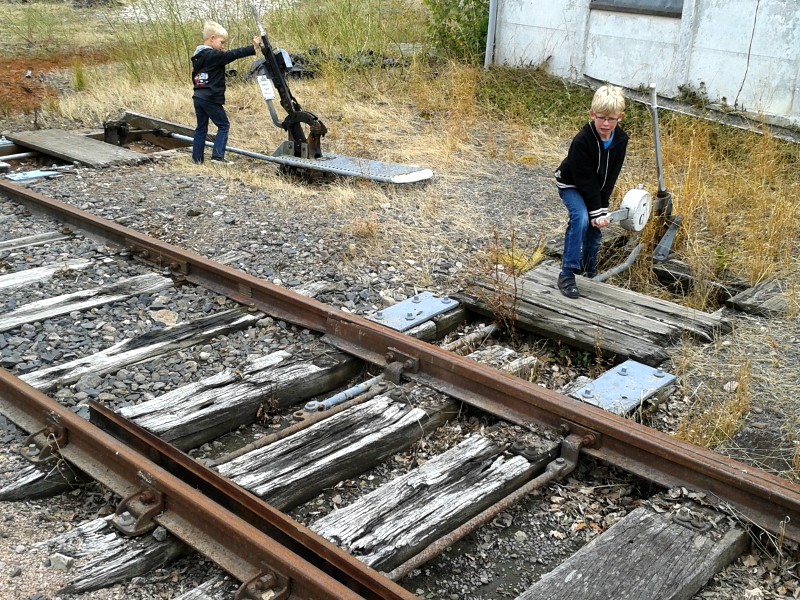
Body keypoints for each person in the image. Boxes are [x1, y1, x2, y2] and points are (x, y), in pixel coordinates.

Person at [554, 85, 629, 299]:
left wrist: (601, 209)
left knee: (595, 231)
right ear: (592, 114)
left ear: (620, 117)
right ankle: (567, 273)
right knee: (581, 218)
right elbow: (584, 179)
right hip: (571, 184)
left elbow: (609, 178)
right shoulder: (582, 141)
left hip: (594, 188)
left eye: (611, 119)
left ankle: (588, 270)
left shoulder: (620, 141)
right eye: (601, 117)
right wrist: (595, 212)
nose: (606, 124)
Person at [191, 21, 262, 164]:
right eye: (222, 42)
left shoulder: (198, 56)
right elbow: (231, 55)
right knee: (224, 125)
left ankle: (197, 160)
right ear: (212, 39)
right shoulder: (212, 55)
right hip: (210, 97)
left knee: (201, 128)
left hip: (198, 96)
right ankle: (217, 157)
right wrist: (252, 48)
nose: (223, 47)